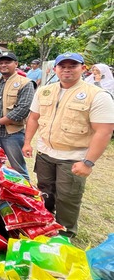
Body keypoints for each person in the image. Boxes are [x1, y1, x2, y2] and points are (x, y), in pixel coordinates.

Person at [23, 52, 114, 237]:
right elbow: (33, 118)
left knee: (67, 198)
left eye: (72, 66)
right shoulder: (44, 90)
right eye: (62, 66)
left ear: (83, 68)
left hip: (73, 157)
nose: (66, 70)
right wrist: (27, 143)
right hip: (45, 153)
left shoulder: (97, 95)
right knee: (44, 191)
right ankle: (46, 224)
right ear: (55, 69)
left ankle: (65, 234)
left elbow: (104, 130)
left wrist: (88, 163)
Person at [0, 52, 35, 180]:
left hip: (11, 134)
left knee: (18, 168)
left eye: (7, 62)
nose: (3, 65)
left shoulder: (25, 83)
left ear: (16, 64)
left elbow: (23, 109)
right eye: (1, 63)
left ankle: (25, 197)